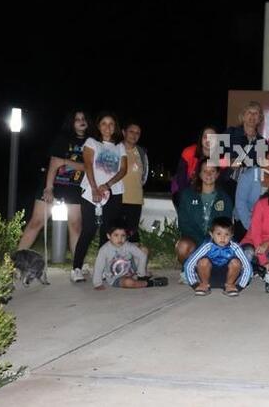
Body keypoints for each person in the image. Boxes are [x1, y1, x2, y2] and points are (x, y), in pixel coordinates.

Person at [18, 110, 88, 254]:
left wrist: (65, 161)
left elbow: (88, 167)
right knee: (36, 222)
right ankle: (17, 259)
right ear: (71, 122)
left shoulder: (91, 142)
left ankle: (77, 265)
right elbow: (53, 164)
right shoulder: (62, 139)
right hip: (53, 184)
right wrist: (49, 188)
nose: (81, 121)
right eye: (77, 119)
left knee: (75, 226)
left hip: (74, 188)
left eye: (83, 118)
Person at [72, 112, 128, 283]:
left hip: (114, 193)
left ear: (115, 127)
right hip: (91, 192)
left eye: (111, 124)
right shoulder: (91, 142)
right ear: (98, 126)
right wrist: (96, 188)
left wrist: (107, 185)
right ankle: (76, 268)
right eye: (104, 123)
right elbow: (88, 165)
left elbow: (123, 170)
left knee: (107, 232)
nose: (108, 127)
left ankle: (104, 269)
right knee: (88, 230)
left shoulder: (120, 146)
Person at [175, 158, 234, 265]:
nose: (208, 174)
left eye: (212, 171)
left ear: (217, 174)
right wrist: (202, 242)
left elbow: (226, 224)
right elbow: (184, 223)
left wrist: (212, 241)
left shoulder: (224, 198)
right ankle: (187, 271)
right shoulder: (187, 195)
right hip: (193, 239)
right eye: (205, 171)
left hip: (215, 241)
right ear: (200, 174)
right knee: (183, 246)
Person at [182, 217, 252, 297]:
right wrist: (194, 284)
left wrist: (240, 286)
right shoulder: (207, 246)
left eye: (226, 234)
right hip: (209, 277)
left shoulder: (235, 247)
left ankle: (229, 286)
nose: (223, 238)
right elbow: (189, 264)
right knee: (203, 261)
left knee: (236, 262)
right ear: (211, 234)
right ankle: (204, 285)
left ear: (231, 236)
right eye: (218, 234)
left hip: (229, 278)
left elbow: (247, 267)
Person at [93, 219, 168, 290]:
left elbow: (142, 256)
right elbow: (98, 266)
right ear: (109, 236)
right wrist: (97, 283)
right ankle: (152, 283)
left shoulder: (128, 245)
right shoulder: (104, 250)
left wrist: (141, 275)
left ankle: (141, 277)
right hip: (116, 277)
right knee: (129, 283)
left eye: (123, 235)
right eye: (116, 235)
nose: (120, 239)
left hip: (131, 269)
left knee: (144, 250)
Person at [233, 149, 269, 240]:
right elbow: (240, 204)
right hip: (246, 218)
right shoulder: (248, 176)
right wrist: (251, 226)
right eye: (268, 161)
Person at [171, 125, 220, 206]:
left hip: (207, 190)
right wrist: (187, 196)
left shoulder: (220, 157)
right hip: (184, 187)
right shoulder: (189, 152)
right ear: (201, 139)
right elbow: (181, 178)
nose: (208, 140)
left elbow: (222, 179)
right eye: (205, 137)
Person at [120, 121, 148, 243]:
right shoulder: (116, 149)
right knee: (117, 233)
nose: (134, 135)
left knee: (132, 233)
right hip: (117, 198)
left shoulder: (141, 152)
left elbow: (144, 175)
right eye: (131, 131)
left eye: (138, 133)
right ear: (123, 132)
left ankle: (130, 260)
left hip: (135, 199)